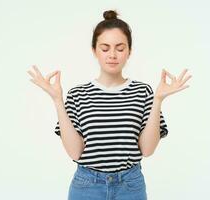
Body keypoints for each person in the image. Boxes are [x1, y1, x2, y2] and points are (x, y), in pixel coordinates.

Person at [27, 9, 192, 200]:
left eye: (120, 48)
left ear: (129, 51)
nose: (112, 54)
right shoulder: (77, 94)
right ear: (94, 51)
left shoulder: (143, 92)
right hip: (86, 186)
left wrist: (158, 99)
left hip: (130, 186)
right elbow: (75, 151)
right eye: (105, 48)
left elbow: (147, 150)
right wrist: (57, 100)